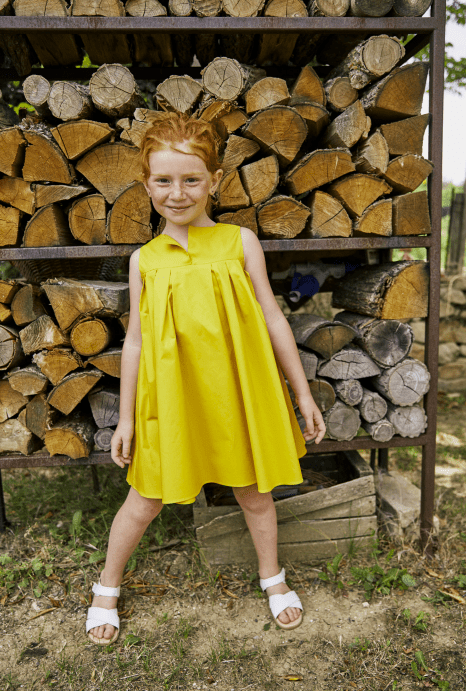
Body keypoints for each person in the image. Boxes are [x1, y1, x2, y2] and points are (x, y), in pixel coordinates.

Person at [86, 112, 326, 646]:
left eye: (191, 179)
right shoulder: (144, 260)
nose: (177, 193)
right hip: (170, 399)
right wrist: (125, 418)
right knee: (144, 498)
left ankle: (272, 577)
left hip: (238, 394)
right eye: (163, 181)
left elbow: (272, 317)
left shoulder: (240, 243)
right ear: (145, 184)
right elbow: (136, 342)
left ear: (214, 181)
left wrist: (302, 392)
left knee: (255, 493)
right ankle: (107, 584)